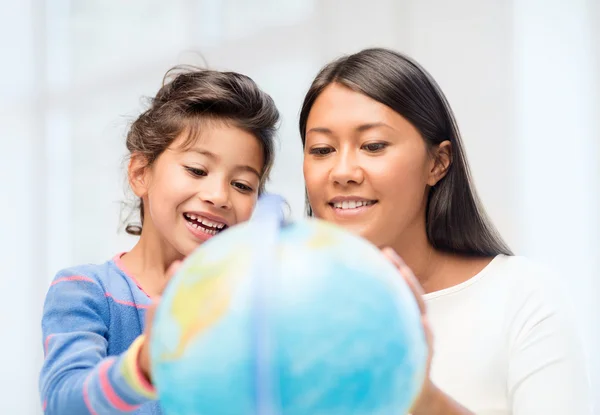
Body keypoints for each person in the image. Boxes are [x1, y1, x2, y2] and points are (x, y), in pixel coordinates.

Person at [299, 47, 592, 414]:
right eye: (322, 149)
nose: (342, 172)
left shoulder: (521, 297)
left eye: (373, 146)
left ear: (437, 163)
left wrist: (425, 400)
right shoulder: (284, 311)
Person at [39, 66, 280, 414]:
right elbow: (63, 401)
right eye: (197, 170)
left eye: (242, 185)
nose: (219, 195)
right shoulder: (85, 290)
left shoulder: (249, 306)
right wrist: (143, 366)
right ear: (140, 173)